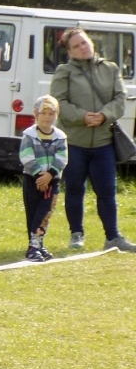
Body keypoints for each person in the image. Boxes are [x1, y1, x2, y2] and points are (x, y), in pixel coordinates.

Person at [49, 28, 136, 252]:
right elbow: (59, 103)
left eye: (85, 42)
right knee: (75, 189)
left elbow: (120, 98)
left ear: (91, 43)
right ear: (70, 52)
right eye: (76, 46)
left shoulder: (110, 68)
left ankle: (113, 237)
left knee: (107, 191)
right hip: (74, 143)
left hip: (104, 143)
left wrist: (105, 115)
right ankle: (76, 234)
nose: (83, 47)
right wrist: (83, 117)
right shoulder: (64, 71)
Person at [19, 95, 68, 263]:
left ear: (56, 115)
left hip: (52, 182)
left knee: (45, 212)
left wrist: (49, 175)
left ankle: (37, 244)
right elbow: (26, 156)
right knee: (33, 213)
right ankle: (33, 246)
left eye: (51, 113)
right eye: (43, 113)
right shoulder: (29, 135)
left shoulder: (60, 137)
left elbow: (62, 158)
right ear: (36, 114)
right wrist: (39, 176)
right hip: (32, 180)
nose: (47, 117)